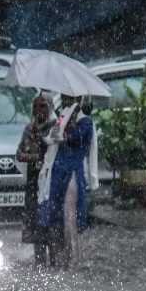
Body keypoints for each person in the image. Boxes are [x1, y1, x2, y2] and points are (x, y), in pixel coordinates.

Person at [37, 94, 99, 270]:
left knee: (70, 215)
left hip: (72, 172)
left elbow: (76, 139)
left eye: (69, 99)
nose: (66, 102)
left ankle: (73, 257)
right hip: (58, 172)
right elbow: (51, 138)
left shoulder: (85, 122)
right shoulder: (63, 117)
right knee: (58, 214)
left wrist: (63, 132)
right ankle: (62, 256)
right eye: (64, 98)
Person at [16, 92, 55, 266]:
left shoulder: (55, 127)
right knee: (34, 219)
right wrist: (35, 157)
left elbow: (53, 153)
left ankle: (54, 260)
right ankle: (39, 263)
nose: (39, 110)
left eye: (43, 106)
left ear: (50, 108)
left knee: (50, 220)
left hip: (49, 181)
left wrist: (37, 154)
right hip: (33, 182)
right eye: (36, 107)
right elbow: (19, 154)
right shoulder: (29, 129)